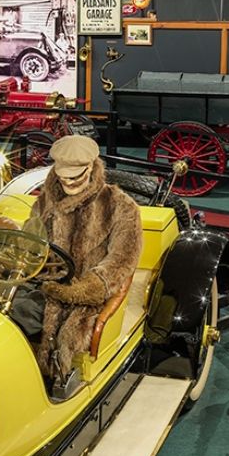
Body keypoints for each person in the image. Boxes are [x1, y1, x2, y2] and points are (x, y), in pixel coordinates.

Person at [26, 134, 141, 399]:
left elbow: (121, 262)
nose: (69, 182)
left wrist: (79, 291)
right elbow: (31, 242)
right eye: (64, 176)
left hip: (88, 296)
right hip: (45, 284)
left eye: (76, 176)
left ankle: (57, 383)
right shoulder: (45, 202)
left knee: (67, 331)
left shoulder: (120, 206)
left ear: (91, 167)